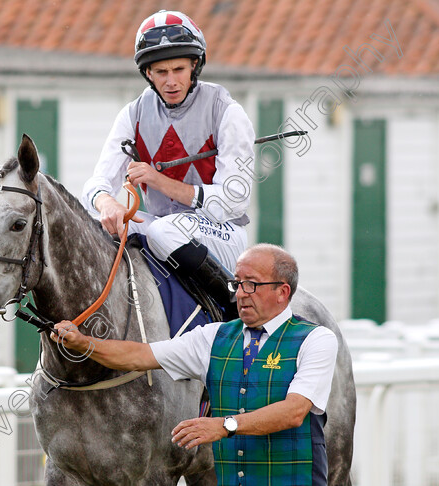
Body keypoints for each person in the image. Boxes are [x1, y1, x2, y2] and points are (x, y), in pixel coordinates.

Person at [51, 244, 338, 486]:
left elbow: (294, 412)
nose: (239, 293)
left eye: (251, 284)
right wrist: (84, 343)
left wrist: (224, 426)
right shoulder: (214, 337)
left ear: (282, 292)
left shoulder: (316, 339)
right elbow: (139, 355)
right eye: (237, 284)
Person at [81, 10, 256, 309]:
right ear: (148, 73)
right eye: (161, 72)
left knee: (165, 230)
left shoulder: (226, 111)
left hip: (222, 232)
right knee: (94, 228)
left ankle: (231, 303)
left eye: (178, 69)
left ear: (195, 65)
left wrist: (158, 180)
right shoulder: (133, 114)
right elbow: (96, 183)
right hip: (161, 227)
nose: (171, 81)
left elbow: (235, 200)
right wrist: (105, 202)